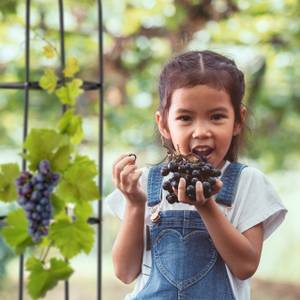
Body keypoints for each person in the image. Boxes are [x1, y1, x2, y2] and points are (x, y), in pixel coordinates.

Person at [105, 50, 287, 300]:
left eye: (216, 116)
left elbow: (245, 267)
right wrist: (136, 204)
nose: (201, 131)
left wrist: (207, 207)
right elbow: (125, 272)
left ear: (238, 120)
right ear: (164, 124)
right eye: (185, 118)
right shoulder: (147, 183)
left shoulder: (248, 183)